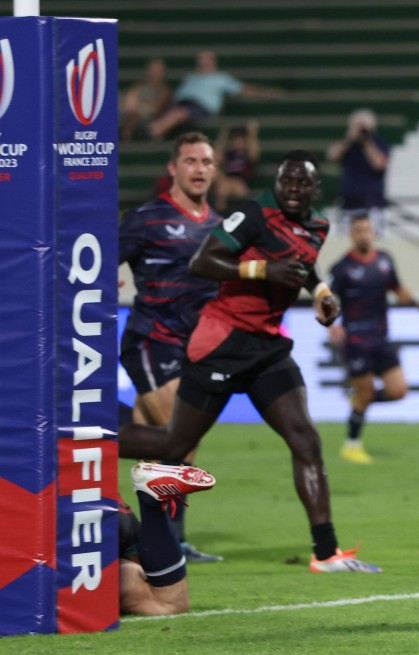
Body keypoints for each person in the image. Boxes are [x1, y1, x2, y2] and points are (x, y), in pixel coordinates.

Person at [119, 150, 382, 574]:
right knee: (174, 445)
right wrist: (262, 270)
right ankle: (91, 439)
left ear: (315, 189)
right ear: (276, 183)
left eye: (302, 183)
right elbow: (203, 261)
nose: (293, 189)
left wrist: (321, 293)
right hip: (222, 341)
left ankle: (326, 552)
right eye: (286, 181)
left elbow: (304, 266)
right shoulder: (253, 215)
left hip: (267, 348)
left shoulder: (318, 225)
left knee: (305, 439)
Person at [119, 131, 223, 563]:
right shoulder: (147, 219)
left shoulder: (220, 227)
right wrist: (104, 277)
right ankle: (170, 542)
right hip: (151, 340)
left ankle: (90, 438)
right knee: (180, 438)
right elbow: (98, 259)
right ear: (173, 168)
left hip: (193, 349)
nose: (199, 169)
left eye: (206, 161)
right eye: (191, 161)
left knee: (156, 442)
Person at [327, 213, 419, 464]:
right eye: (358, 231)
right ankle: (351, 446)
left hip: (381, 339)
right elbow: (326, 298)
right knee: (364, 395)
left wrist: (417, 304)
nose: (364, 235)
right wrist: (331, 324)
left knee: (399, 391)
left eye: (367, 230)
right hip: (356, 341)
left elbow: (397, 287)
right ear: (351, 234)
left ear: (373, 232)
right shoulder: (342, 268)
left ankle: (359, 401)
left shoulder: (384, 260)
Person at [120, 462, 216, 615]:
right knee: (135, 572)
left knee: (168, 604)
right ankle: (151, 503)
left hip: (84, 524)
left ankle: (151, 500)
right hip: (110, 507)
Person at [148, 49, 284, 141]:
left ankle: (153, 132)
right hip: (180, 104)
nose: (204, 62)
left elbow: (243, 89)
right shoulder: (190, 78)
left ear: (214, 62)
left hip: (200, 108)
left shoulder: (221, 78)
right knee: (171, 110)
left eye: (208, 60)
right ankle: (155, 132)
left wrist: (267, 93)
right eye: (202, 59)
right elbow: (176, 96)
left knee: (179, 113)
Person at [325, 109, 390, 236]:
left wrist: (367, 143)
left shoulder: (379, 143)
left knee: (373, 237)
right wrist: (349, 139)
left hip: (372, 202)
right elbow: (332, 156)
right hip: (349, 202)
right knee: (346, 238)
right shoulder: (348, 145)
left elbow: (379, 164)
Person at [213, 119, 261, 213]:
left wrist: (252, 133)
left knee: (224, 185)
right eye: (235, 140)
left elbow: (254, 154)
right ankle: (220, 210)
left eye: (241, 140)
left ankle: (221, 209)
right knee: (220, 180)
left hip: (241, 185)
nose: (238, 142)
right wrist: (223, 137)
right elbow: (216, 157)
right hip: (226, 182)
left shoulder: (247, 155)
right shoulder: (230, 154)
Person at [120, 58, 172, 142]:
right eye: (153, 70)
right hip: (131, 119)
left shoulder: (165, 91)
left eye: (158, 71)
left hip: (150, 122)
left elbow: (155, 109)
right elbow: (129, 105)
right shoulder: (138, 87)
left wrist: (139, 109)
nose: (155, 73)